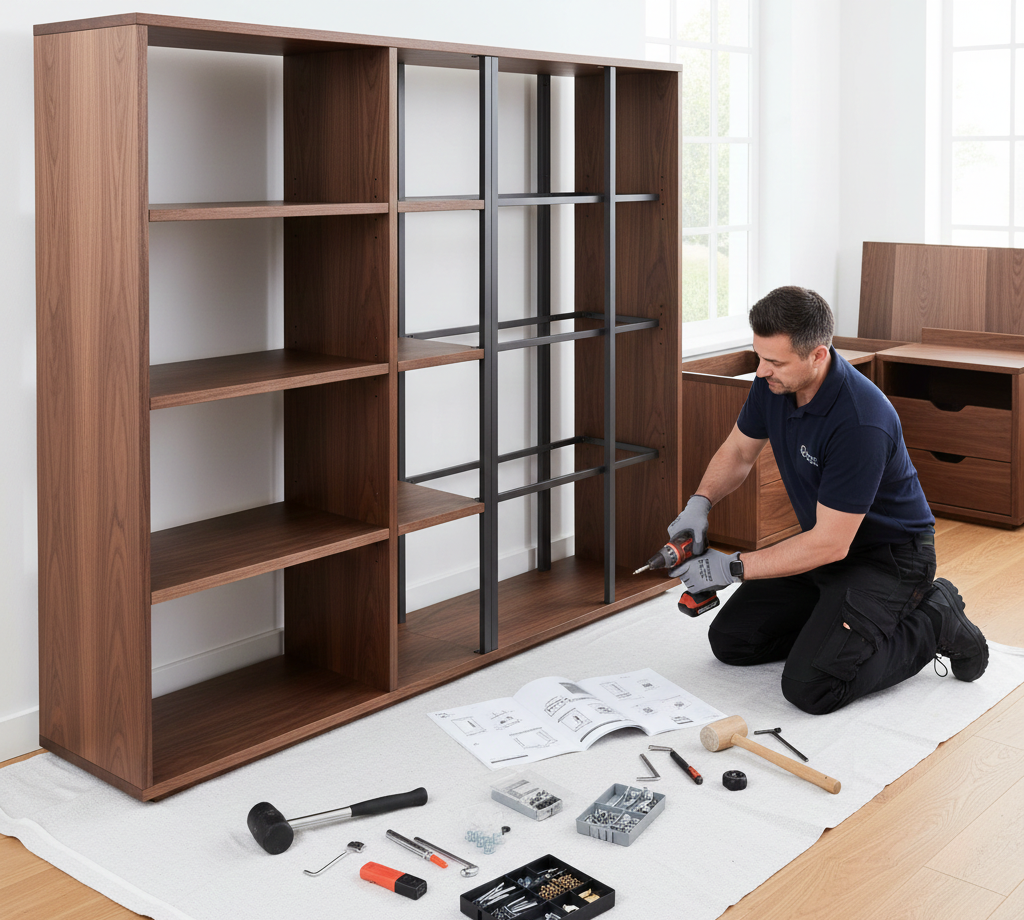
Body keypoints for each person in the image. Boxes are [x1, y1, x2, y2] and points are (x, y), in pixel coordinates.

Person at [668, 286, 988, 714]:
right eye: (758, 357)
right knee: (733, 641)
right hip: (823, 550)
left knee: (812, 687)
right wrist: (700, 504)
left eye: (774, 362)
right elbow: (739, 451)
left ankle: (935, 616)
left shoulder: (861, 421)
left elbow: (831, 544)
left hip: (888, 561)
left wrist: (734, 567)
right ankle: (838, 626)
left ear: (818, 355)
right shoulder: (775, 382)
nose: (762, 371)